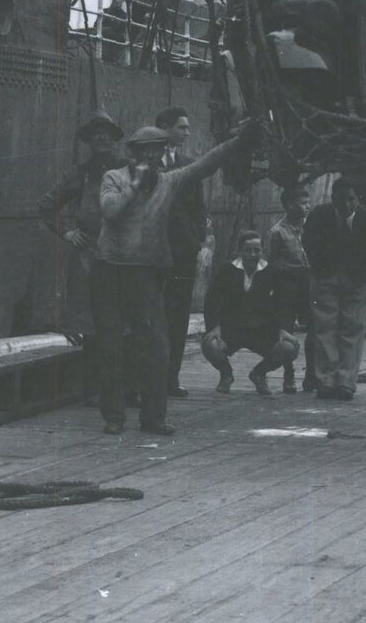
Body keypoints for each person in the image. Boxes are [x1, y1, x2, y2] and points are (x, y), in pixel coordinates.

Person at [93, 122, 253, 434]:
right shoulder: (113, 178)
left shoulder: (168, 182)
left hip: (145, 273)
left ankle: (153, 417)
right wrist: (135, 185)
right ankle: (114, 416)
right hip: (109, 270)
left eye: (159, 150)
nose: (153, 156)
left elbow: (203, 166)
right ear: (134, 153)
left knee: (156, 346)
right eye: (147, 150)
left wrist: (237, 142)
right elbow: (110, 211)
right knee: (111, 345)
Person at [37, 111, 125, 403]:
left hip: (122, 256)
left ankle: (122, 388)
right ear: (89, 141)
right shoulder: (79, 173)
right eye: (96, 133)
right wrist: (68, 233)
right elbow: (47, 206)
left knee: (122, 322)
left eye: (107, 133)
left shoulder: (129, 171)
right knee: (89, 326)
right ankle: (92, 389)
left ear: (115, 139)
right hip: (88, 257)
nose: (102, 137)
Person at [302, 177, 366, 401]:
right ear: (333, 199)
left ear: (358, 199)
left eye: (351, 200)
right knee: (325, 327)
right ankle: (326, 380)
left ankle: (346, 381)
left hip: (358, 279)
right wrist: (320, 268)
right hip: (326, 277)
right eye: (341, 200)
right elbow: (307, 241)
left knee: (353, 327)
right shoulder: (319, 215)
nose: (346, 205)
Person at [156, 106, 214, 400]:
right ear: (165, 128)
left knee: (178, 315)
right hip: (152, 252)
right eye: (182, 127)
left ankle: (171, 378)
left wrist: (196, 240)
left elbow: (198, 207)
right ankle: (150, 379)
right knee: (153, 316)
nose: (187, 133)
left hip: (182, 252)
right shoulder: (147, 164)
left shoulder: (189, 165)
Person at [201, 230, 300, 394]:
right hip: (232, 329)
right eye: (248, 250)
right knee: (210, 345)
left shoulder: (272, 271)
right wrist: (214, 327)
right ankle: (226, 374)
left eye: (257, 250)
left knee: (289, 347)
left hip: (262, 330)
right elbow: (212, 300)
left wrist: (283, 329)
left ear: (263, 251)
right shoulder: (227, 270)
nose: (252, 255)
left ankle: (259, 374)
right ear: (239, 251)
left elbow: (284, 303)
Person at [265, 182, 315, 392]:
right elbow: (272, 262)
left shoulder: (311, 228)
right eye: (302, 203)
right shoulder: (277, 232)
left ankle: (312, 374)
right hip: (286, 285)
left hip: (308, 283)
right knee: (286, 330)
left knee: (314, 327)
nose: (307, 206)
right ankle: (289, 373)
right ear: (289, 206)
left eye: (308, 202)